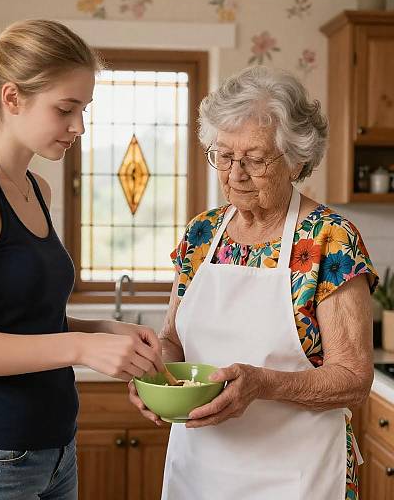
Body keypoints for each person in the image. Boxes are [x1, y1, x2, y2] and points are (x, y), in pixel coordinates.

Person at [0, 19, 163, 500]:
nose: (79, 126)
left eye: (84, 109)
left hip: (54, 453)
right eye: (65, 109)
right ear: (12, 99)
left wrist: (99, 330)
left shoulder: (36, 187)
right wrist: (79, 349)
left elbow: (23, 320)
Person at [129, 65, 378, 500]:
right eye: (223, 156)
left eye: (255, 159)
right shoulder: (201, 235)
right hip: (200, 471)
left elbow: (354, 379)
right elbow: (174, 341)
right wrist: (152, 373)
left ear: (297, 159)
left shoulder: (329, 240)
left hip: (299, 475)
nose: (235, 174)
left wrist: (263, 384)